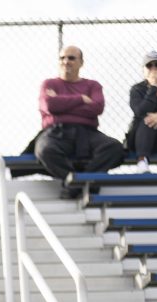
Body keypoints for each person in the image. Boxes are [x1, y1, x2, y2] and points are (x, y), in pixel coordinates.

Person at [32, 45, 124, 197]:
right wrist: (80, 99)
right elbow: (50, 105)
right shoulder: (48, 84)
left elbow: (97, 108)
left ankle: (81, 182)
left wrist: (61, 103)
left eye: (71, 58)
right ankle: (78, 181)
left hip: (87, 132)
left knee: (114, 148)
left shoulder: (93, 85)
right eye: (62, 58)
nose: (66, 61)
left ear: (81, 62)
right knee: (45, 150)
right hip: (56, 132)